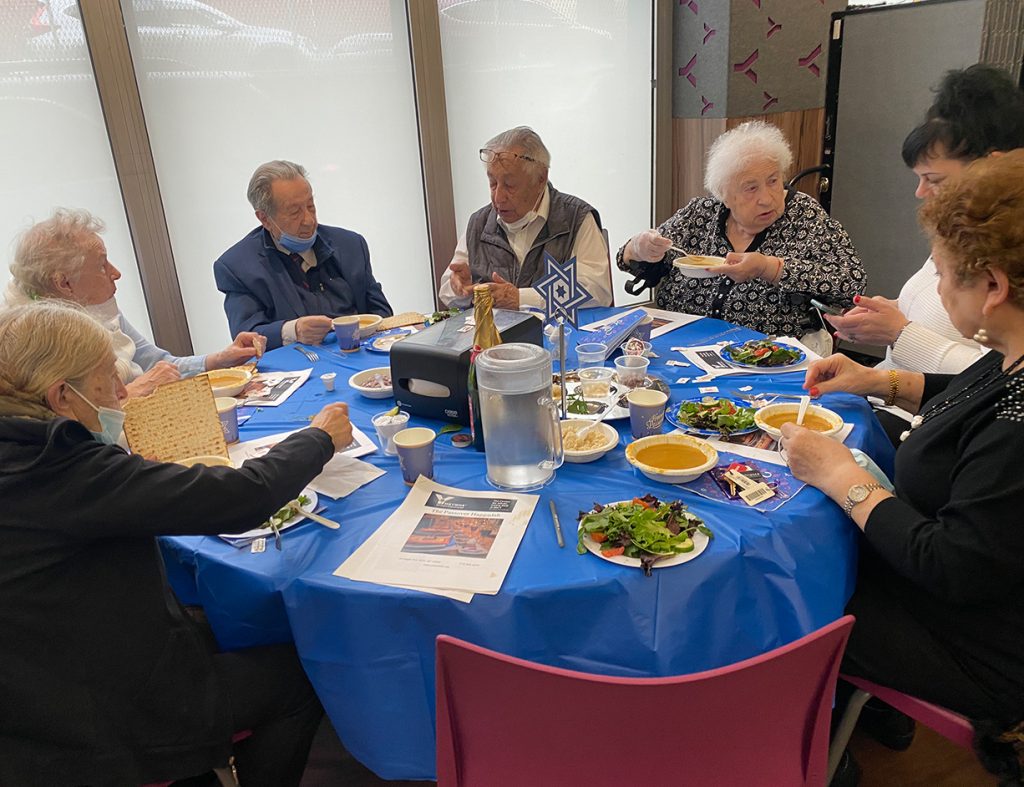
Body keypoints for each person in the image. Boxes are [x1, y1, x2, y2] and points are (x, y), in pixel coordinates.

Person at [0, 300, 352, 786]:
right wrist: (318, 439)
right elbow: (242, 497)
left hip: (30, 689)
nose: (124, 392)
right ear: (62, 396)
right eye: (109, 378)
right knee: (299, 675)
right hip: (88, 720)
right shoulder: (60, 467)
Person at [781, 150, 1024, 784]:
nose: (936, 290)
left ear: (993, 286)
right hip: (969, 600)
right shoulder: (1010, 361)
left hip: (982, 647)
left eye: (944, 275)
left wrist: (841, 476)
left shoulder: (1019, 429)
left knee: (788, 602)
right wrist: (880, 380)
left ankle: (816, 762)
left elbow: (952, 566)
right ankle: (867, 717)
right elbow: (970, 392)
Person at [826, 64, 1024, 373]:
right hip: (895, 393)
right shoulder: (961, 235)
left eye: (934, 180)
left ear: (991, 168)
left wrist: (900, 333)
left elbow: (997, 377)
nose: (921, 192)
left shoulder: (1006, 256)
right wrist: (886, 315)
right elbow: (937, 316)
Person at [618, 120, 864, 353]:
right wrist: (638, 249)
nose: (766, 198)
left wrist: (771, 268)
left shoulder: (806, 216)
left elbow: (852, 284)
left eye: (773, 181)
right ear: (724, 195)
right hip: (678, 346)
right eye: (751, 188)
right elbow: (633, 260)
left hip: (764, 359)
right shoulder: (700, 213)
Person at [6, 209, 266, 398]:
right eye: (101, 265)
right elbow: (65, 426)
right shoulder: (25, 342)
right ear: (64, 284)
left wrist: (218, 360)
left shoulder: (95, 307)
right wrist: (134, 391)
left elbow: (156, 362)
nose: (116, 272)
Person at [214, 160, 393, 350]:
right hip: (296, 369)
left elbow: (383, 315)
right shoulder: (237, 267)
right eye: (294, 212)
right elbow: (247, 338)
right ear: (265, 219)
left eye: (310, 206)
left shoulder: (350, 244)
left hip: (359, 357)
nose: (309, 221)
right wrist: (293, 331)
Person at [438, 126, 613, 310]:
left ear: (540, 179)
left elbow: (597, 289)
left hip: (556, 336)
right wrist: (459, 288)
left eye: (510, 185)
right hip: (494, 337)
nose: (498, 197)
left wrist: (521, 298)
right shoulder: (479, 222)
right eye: (492, 183)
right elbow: (447, 292)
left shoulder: (575, 217)